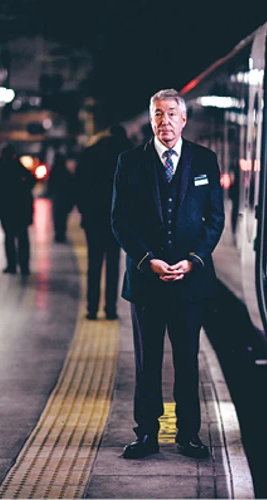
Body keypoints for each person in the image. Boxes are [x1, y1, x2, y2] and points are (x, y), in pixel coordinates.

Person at [111, 89, 225, 459]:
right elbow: (120, 220)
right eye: (158, 114)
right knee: (147, 363)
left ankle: (188, 434)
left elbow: (215, 218)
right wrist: (147, 260)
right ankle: (146, 434)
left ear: (184, 119)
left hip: (190, 282)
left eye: (172, 114)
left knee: (187, 361)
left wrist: (194, 259)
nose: (165, 121)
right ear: (151, 119)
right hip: (147, 282)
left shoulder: (205, 160)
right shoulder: (129, 162)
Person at [75, 124, 133, 320]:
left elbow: (79, 184)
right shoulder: (129, 152)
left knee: (94, 263)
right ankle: (110, 309)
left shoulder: (91, 152)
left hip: (93, 217)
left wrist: (84, 211)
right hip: (117, 219)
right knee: (114, 264)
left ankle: (92, 308)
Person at [0, 143, 36, 275]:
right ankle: (24, 265)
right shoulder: (19, 167)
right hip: (20, 209)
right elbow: (31, 181)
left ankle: (12, 265)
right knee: (22, 237)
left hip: (5, 209)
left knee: (9, 236)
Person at [47, 152, 75, 243]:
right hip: (64, 198)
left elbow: (50, 185)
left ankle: (58, 233)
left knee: (56, 216)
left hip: (56, 198)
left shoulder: (54, 172)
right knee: (63, 217)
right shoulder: (66, 172)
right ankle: (62, 233)